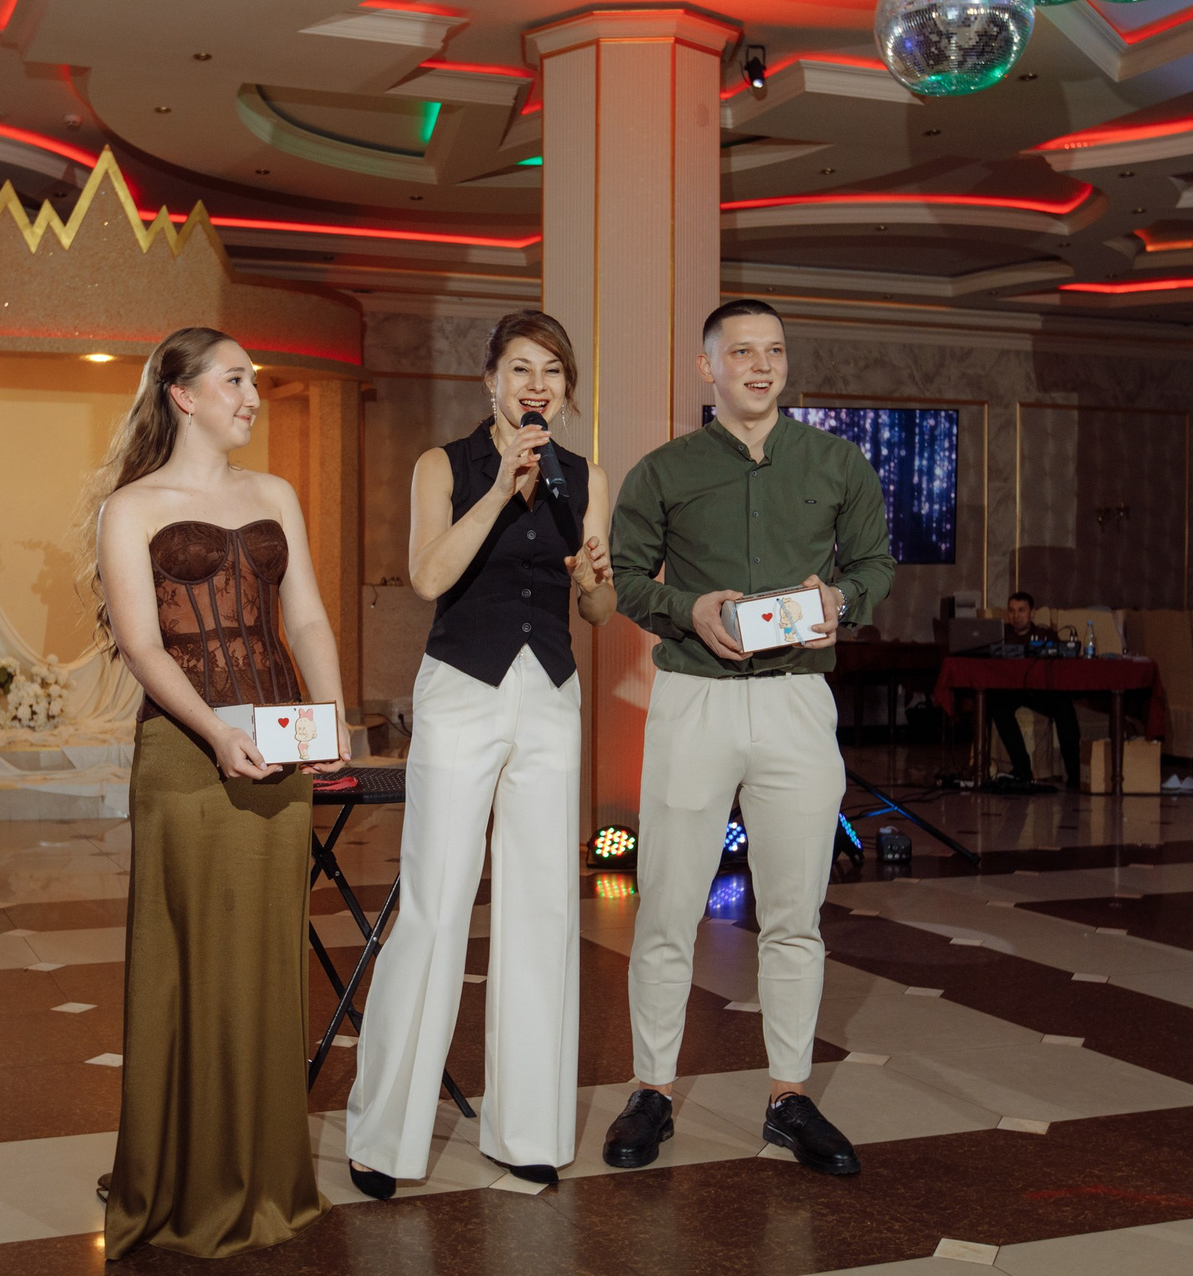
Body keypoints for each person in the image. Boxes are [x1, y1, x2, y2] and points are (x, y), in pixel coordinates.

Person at [604, 298, 894, 1175]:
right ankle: (651, 1091)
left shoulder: (838, 463)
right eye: (741, 352)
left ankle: (789, 1097)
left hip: (798, 700)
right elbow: (626, 579)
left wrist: (841, 600)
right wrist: (687, 607)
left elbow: (874, 566)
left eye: (773, 350)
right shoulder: (664, 470)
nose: (760, 366)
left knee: (795, 916)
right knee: (667, 908)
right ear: (709, 367)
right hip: (694, 698)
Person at [88, 326, 349, 1259]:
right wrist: (215, 732)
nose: (252, 397)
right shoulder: (131, 507)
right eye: (235, 380)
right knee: (190, 962)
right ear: (183, 394)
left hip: (278, 748)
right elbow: (142, 646)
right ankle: (186, 1184)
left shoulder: (274, 494)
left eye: (254, 381)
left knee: (268, 964)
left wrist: (330, 716)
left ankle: (268, 1178)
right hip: (187, 752)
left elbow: (306, 616)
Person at [345, 310, 615, 1198]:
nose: (537, 385)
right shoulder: (446, 465)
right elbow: (428, 576)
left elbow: (598, 609)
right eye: (521, 368)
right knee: (436, 901)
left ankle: (527, 1128)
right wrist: (501, 489)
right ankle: (384, 1137)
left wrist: (597, 581)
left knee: (542, 905)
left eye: (553, 372)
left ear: (566, 391)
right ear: (491, 381)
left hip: (552, 696)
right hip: (462, 689)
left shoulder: (585, 476)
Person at [991, 590, 1082, 787]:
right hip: (1011, 690)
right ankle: (1022, 769)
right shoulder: (1000, 635)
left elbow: (1061, 663)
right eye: (1012, 611)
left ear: (1032, 613)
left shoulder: (1045, 635)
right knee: (998, 707)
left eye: (1021, 610)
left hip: (1041, 691)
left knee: (1064, 707)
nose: (1016, 616)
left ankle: (1074, 774)